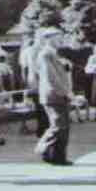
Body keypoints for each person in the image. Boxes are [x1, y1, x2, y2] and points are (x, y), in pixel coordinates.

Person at [34, 27, 75, 166]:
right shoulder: (45, 54)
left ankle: (57, 157)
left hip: (58, 94)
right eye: (58, 37)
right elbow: (51, 77)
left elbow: (59, 74)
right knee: (58, 126)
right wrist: (66, 92)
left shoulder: (53, 54)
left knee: (63, 128)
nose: (60, 40)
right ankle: (43, 147)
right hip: (53, 95)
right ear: (48, 38)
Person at [20, 32, 49, 137]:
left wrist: (25, 81)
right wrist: (26, 82)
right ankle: (43, 128)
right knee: (41, 104)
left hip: (37, 80)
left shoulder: (30, 51)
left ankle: (43, 128)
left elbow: (24, 69)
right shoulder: (34, 51)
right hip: (36, 81)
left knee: (41, 104)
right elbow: (24, 68)